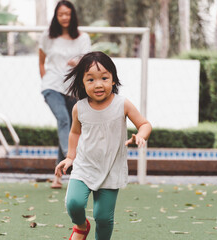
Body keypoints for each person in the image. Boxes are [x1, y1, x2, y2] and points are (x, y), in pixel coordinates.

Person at [55, 51, 152, 240]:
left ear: (113, 80)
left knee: (103, 217)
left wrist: (140, 136)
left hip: (111, 168)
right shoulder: (79, 108)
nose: (98, 84)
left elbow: (145, 124)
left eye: (104, 78)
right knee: (73, 203)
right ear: (82, 83)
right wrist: (70, 157)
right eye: (90, 79)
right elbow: (75, 132)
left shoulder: (122, 104)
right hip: (84, 165)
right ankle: (82, 227)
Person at [38, 0, 91, 189]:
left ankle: (58, 177)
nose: (64, 17)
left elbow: (88, 63)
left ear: (72, 15)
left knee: (71, 130)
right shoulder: (48, 36)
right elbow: (42, 61)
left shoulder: (83, 38)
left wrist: (78, 63)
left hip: (73, 90)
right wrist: (45, 80)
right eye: (60, 14)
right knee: (63, 120)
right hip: (51, 86)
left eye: (67, 14)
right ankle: (75, 162)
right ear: (56, 16)